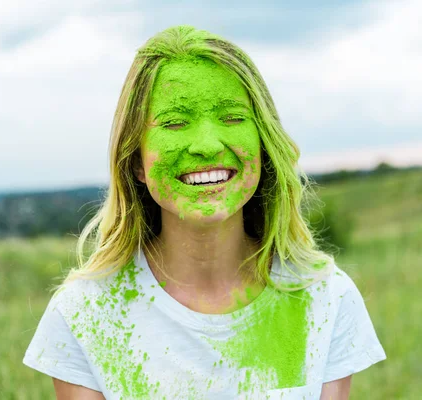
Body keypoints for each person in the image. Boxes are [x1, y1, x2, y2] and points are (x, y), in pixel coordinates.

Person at [23, 25, 386, 400]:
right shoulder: (87, 315)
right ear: (136, 164)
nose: (207, 145)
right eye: (175, 123)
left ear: (264, 145)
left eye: (232, 118)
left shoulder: (323, 297)